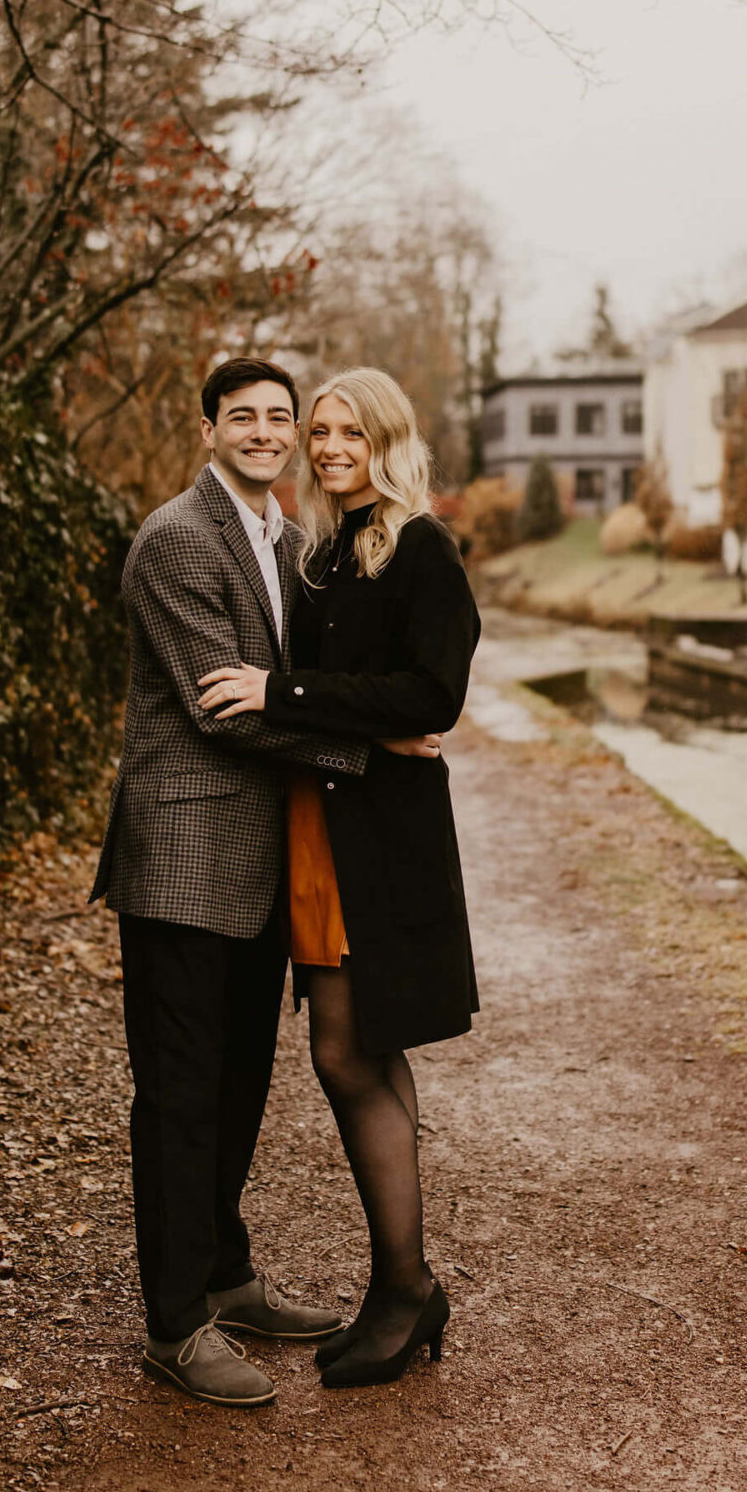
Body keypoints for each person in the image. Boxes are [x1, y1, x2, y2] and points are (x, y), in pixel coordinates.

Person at [90, 358, 385, 1409]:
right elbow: (226, 705)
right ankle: (175, 1325)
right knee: (178, 1096)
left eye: (279, 417)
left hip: (260, 858)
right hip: (180, 861)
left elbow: (293, 680)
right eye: (244, 416)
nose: (265, 432)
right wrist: (372, 746)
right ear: (210, 426)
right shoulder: (174, 539)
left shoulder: (290, 541)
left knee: (240, 1086)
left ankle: (226, 1273)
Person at [199, 366, 481, 1389]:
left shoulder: (420, 545)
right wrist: (333, 718)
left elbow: (431, 694)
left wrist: (291, 691)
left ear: (387, 435)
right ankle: (406, 1282)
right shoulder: (321, 554)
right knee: (349, 1052)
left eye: (346, 429)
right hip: (323, 824)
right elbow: (370, 712)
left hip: (386, 841)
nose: (326, 445)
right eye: (319, 430)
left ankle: (405, 1288)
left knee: (351, 1050)